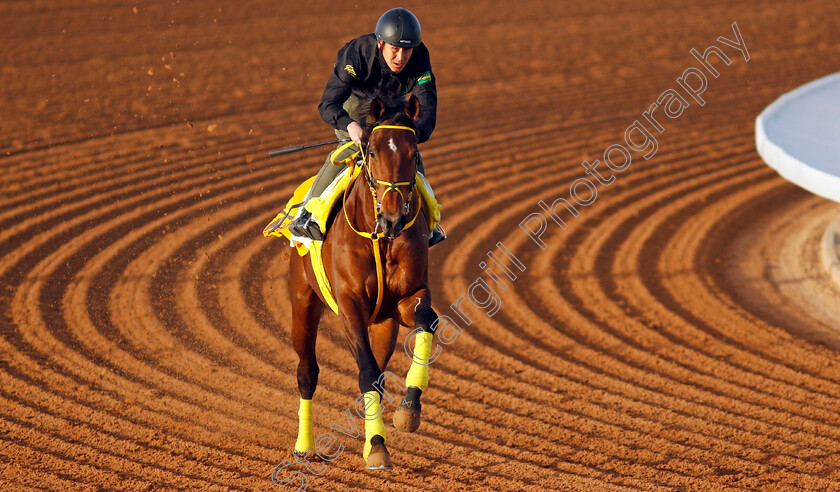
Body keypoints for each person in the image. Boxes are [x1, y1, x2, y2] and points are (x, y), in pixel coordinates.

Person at [288, 7, 445, 246]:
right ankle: (307, 214)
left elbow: (427, 113)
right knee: (348, 152)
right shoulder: (356, 54)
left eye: (406, 51)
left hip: (393, 111)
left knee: (410, 156)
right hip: (355, 108)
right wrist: (349, 125)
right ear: (380, 44)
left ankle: (430, 223)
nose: (400, 58)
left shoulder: (421, 58)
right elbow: (328, 104)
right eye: (395, 49)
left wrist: (407, 137)